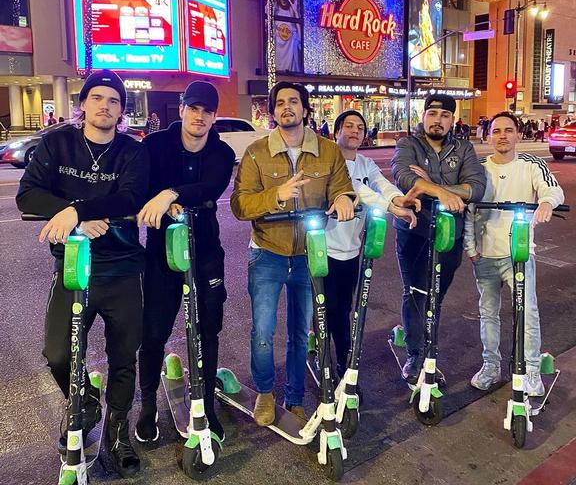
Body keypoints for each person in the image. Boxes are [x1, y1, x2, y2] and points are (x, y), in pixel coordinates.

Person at [16, 69, 149, 478]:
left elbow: (130, 196)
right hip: (74, 265)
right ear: (83, 104)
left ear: (121, 110)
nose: (105, 106)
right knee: (58, 354)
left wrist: (78, 211)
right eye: (97, 98)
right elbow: (28, 194)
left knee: (124, 357)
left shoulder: (132, 151)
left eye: (113, 100)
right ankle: (87, 402)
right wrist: (76, 218)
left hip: (123, 267)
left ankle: (117, 431)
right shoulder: (58, 143)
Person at [230, 81, 355, 426]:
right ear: (272, 112)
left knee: (302, 331)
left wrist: (344, 198)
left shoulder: (329, 151)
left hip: (309, 255)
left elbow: (343, 188)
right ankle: (266, 394)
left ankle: (295, 397)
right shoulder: (257, 153)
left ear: (305, 109)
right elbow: (240, 206)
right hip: (267, 252)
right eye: (280, 103)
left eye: (294, 102)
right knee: (263, 330)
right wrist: (277, 194)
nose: (287, 107)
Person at [135, 81, 235, 443]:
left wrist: (171, 193)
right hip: (162, 253)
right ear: (181, 109)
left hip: (206, 251)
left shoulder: (221, 154)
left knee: (208, 328)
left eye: (207, 111)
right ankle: (147, 406)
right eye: (193, 108)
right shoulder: (155, 145)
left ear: (213, 116)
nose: (200, 116)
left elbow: (212, 187)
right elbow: (141, 190)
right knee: (154, 331)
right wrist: (159, 198)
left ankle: (207, 403)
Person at [464, 112, 564, 396]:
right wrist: (471, 250)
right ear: (489, 135)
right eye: (497, 131)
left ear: (518, 135)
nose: (503, 136)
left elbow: (552, 190)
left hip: (518, 254)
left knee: (527, 312)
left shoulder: (532, 164)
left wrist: (546, 202)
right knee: (488, 313)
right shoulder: (479, 168)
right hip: (484, 255)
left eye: (508, 130)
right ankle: (491, 366)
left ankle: (531, 369)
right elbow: (470, 211)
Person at [391, 94, 486, 384]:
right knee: (416, 293)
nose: (438, 120)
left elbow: (477, 187)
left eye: (445, 115)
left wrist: (433, 186)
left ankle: (427, 351)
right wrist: (445, 191)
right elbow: (403, 177)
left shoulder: (464, 147)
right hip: (414, 230)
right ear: (423, 116)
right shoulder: (408, 145)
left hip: (449, 233)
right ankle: (416, 356)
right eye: (432, 113)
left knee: (436, 296)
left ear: (452, 121)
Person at [324, 110, 420, 382]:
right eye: (348, 126)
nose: (354, 131)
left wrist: (399, 199)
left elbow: (381, 184)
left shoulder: (366, 163)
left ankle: (338, 358)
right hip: (323, 248)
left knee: (343, 309)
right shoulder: (329, 160)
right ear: (337, 132)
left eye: (360, 127)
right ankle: (334, 365)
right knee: (330, 311)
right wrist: (390, 206)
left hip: (351, 250)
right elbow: (357, 190)